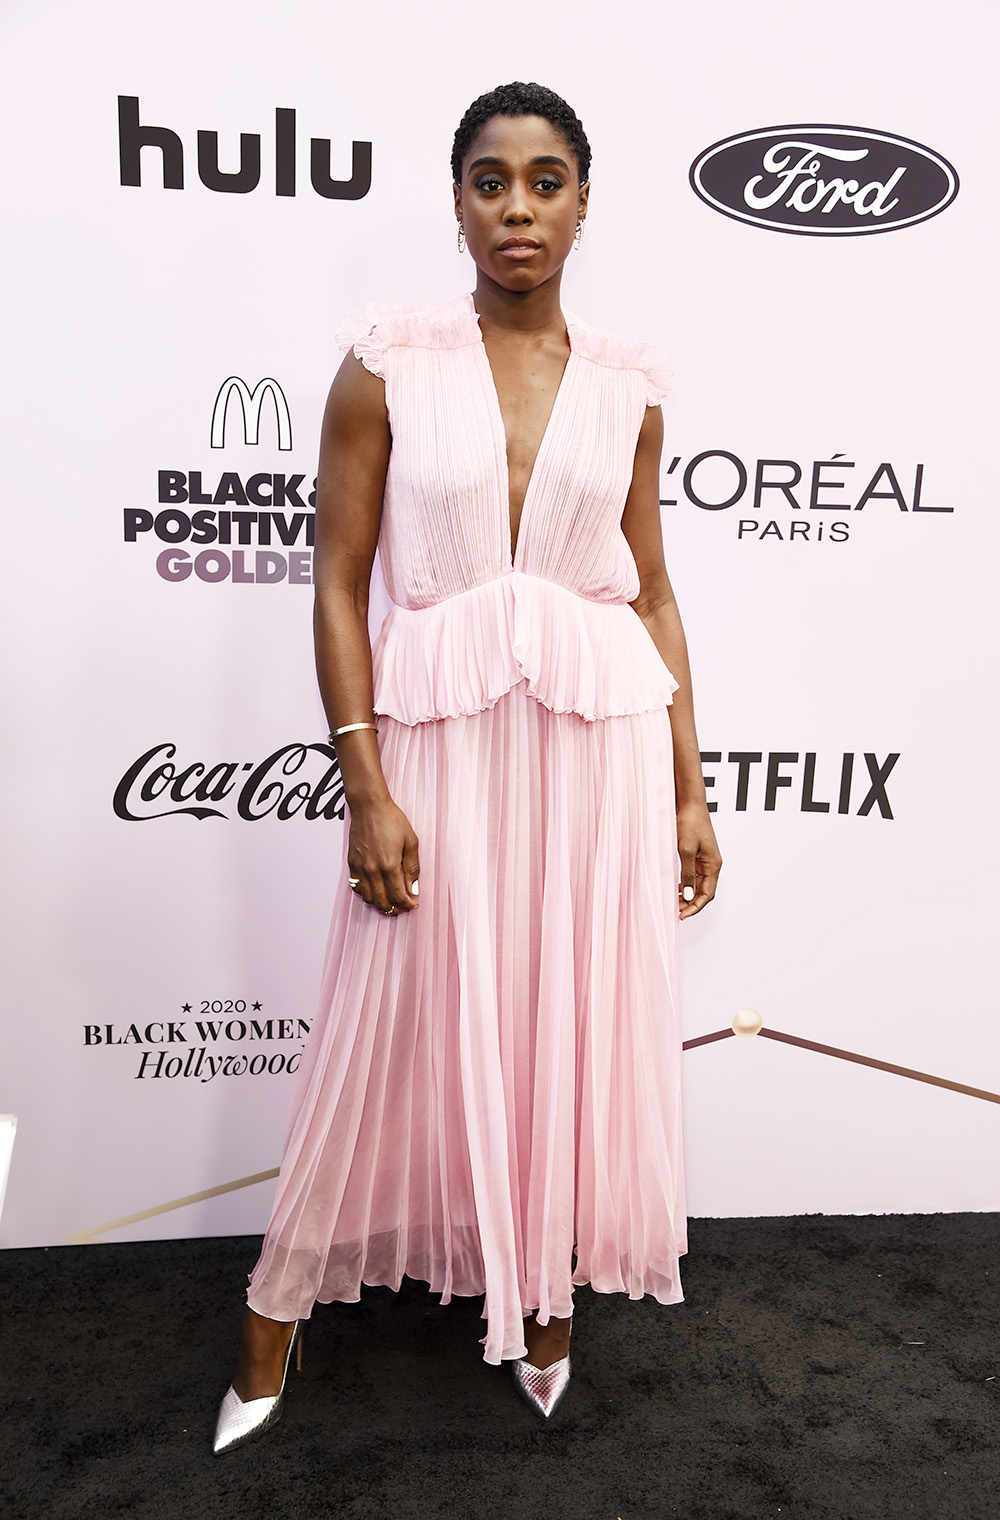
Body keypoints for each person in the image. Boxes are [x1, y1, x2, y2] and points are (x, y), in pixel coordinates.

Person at [213, 80, 721, 1454]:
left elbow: (653, 592)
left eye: (546, 179)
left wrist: (689, 779)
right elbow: (335, 578)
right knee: (390, 1002)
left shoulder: (628, 386)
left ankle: (540, 1294)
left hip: (599, 737)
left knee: (565, 1013)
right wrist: (361, 782)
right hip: (432, 736)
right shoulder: (387, 361)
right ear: (456, 202)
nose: (518, 206)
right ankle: (277, 1311)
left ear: (583, 202)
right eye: (491, 180)